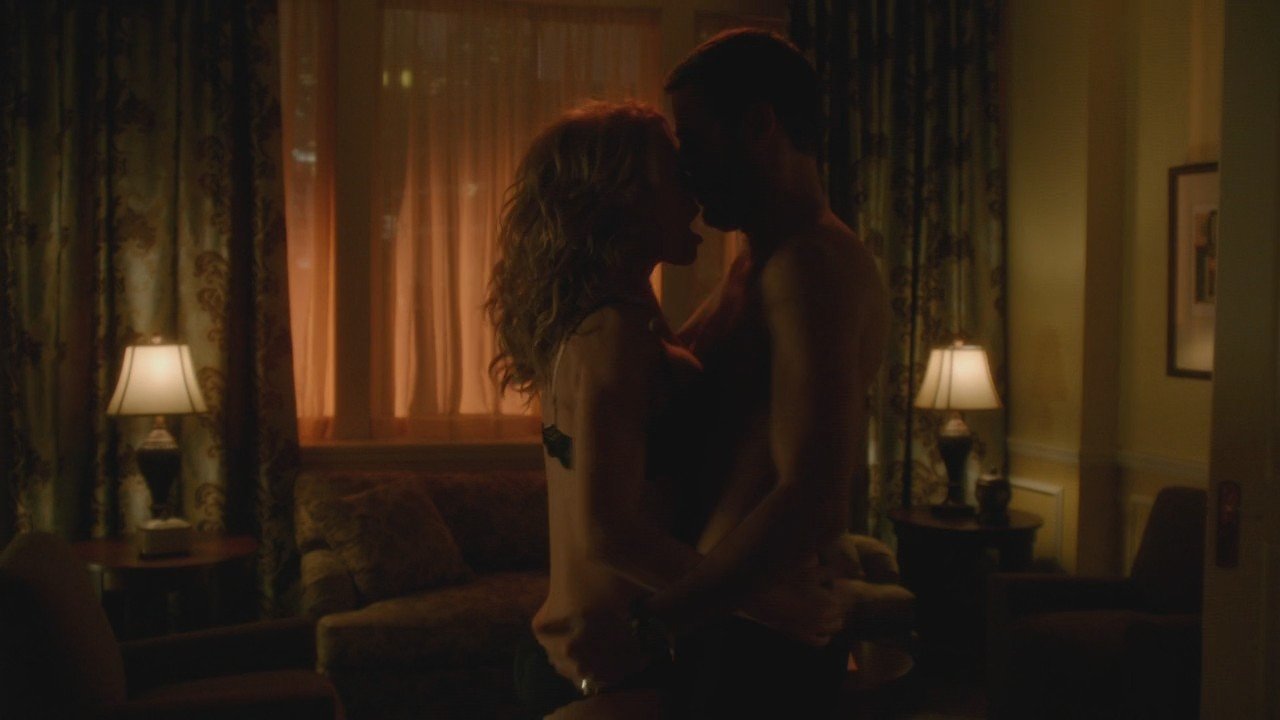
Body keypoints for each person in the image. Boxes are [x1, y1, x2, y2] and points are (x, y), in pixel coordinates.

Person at [539, 29, 891, 718]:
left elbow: (813, 494)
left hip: (753, 644)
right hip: (722, 621)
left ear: (758, 125)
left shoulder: (810, 266)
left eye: (694, 141)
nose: (688, 169)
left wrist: (656, 622)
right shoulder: (753, 263)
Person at [487, 100, 843, 719]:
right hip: (606, 665)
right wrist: (771, 602)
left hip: (587, 651)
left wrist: (752, 261)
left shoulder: (616, 318)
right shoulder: (614, 334)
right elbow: (607, 532)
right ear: (622, 200)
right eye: (676, 176)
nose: (695, 194)